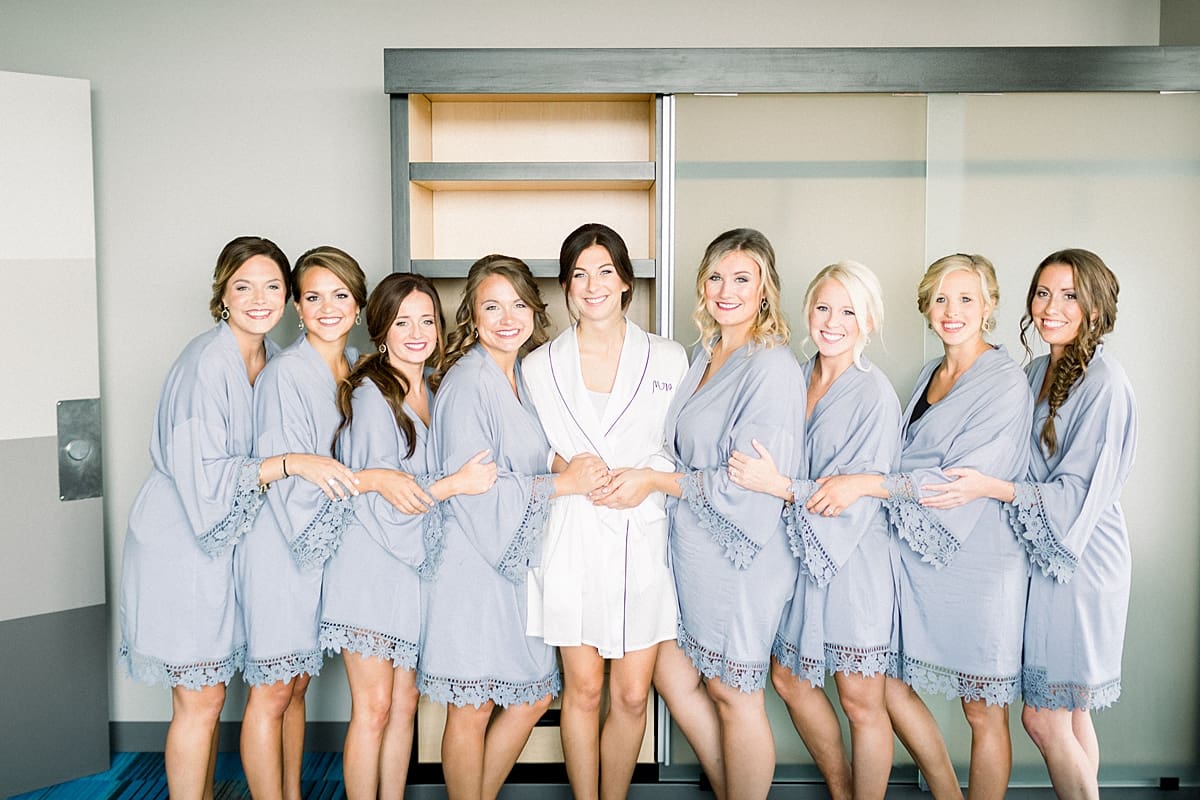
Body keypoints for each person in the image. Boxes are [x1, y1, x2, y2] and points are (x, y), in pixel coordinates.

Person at [809, 253, 1033, 800]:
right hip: (916, 555)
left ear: (989, 307)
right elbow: (906, 461)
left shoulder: (1005, 383)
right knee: (884, 684)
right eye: (940, 299)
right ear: (926, 308)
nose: (950, 311)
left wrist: (864, 483)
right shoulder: (929, 376)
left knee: (982, 708)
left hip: (980, 557)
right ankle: (945, 791)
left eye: (965, 299)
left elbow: (959, 481)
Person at [920, 249, 1135, 800]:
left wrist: (992, 487)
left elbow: (1078, 493)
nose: (1051, 307)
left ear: (1094, 305)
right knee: (1071, 716)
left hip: (1078, 557)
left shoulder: (1106, 383)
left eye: (1068, 295)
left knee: (1043, 717)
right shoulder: (1037, 370)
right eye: (1043, 293)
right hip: (1039, 556)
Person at [118, 236, 316, 800]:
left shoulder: (274, 361)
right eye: (243, 286)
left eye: (273, 286)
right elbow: (202, 475)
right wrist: (289, 463)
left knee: (213, 694)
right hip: (180, 538)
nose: (260, 298)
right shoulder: (205, 363)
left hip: (228, 541)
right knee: (199, 697)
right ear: (222, 294)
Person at [236, 246, 429, 800]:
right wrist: (372, 481)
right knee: (274, 690)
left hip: (334, 546)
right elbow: (292, 480)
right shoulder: (285, 376)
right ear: (297, 305)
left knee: (296, 689)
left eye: (340, 295)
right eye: (314, 296)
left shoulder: (357, 369)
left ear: (359, 304)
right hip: (282, 544)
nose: (327, 308)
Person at [418, 254, 609, 800]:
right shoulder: (467, 383)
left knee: (526, 698)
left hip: (514, 562)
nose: (507, 318)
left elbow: (525, 451)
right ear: (472, 316)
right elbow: (477, 490)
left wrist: (561, 466)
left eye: (518, 305)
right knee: (473, 705)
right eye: (491, 306)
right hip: (471, 565)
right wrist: (563, 486)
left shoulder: (522, 376)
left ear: (534, 311)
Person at [522, 223, 688, 800]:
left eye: (605, 271)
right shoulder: (538, 366)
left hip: (642, 536)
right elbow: (525, 445)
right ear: (566, 285)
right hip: (570, 536)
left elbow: (682, 445)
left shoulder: (669, 357)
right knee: (584, 689)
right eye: (579, 274)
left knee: (633, 694)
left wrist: (646, 480)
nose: (592, 285)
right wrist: (563, 461)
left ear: (625, 281)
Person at [320, 273, 498, 800]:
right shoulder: (374, 395)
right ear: (380, 330)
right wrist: (457, 484)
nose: (417, 332)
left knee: (404, 706)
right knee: (372, 708)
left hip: (414, 569)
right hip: (372, 567)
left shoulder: (437, 387)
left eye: (427, 320)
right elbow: (387, 496)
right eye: (403, 322)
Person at [727, 261, 899, 800]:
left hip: (852, 559)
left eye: (848, 311)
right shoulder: (795, 375)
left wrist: (778, 486)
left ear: (868, 320)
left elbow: (843, 497)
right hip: (795, 557)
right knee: (789, 679)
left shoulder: (874, 396)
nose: (832, 321)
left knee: (860, 698)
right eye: (823, 307)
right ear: (807, 311)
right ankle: (841, 788)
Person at [650, 228, 805, 800]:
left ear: (765, 289)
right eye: (716, 277)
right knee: (674, 673)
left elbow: (748, 485)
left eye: (742, 278)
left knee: (734, 692)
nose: (726, 290)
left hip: (744, 551)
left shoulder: (771, 367)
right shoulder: (704, 354)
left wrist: (654, 480)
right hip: (694, 548)